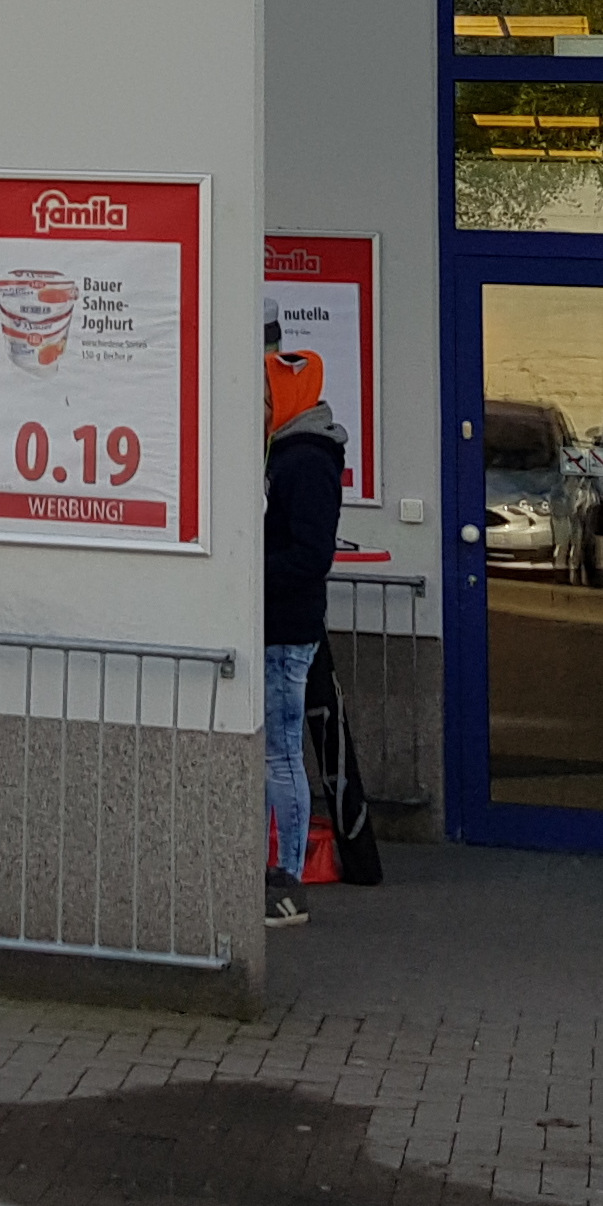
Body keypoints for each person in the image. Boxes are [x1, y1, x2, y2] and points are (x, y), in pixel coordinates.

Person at [261, 321, 347, 927]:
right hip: (277, 623)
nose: (262, 408)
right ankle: (278, 873)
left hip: (287, 630)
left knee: (282, 755)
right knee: (275, 752)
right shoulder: (285, 451)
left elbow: (312, 555)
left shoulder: (307, 460)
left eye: (268, 397)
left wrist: (248, 570)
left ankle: (288, 879)